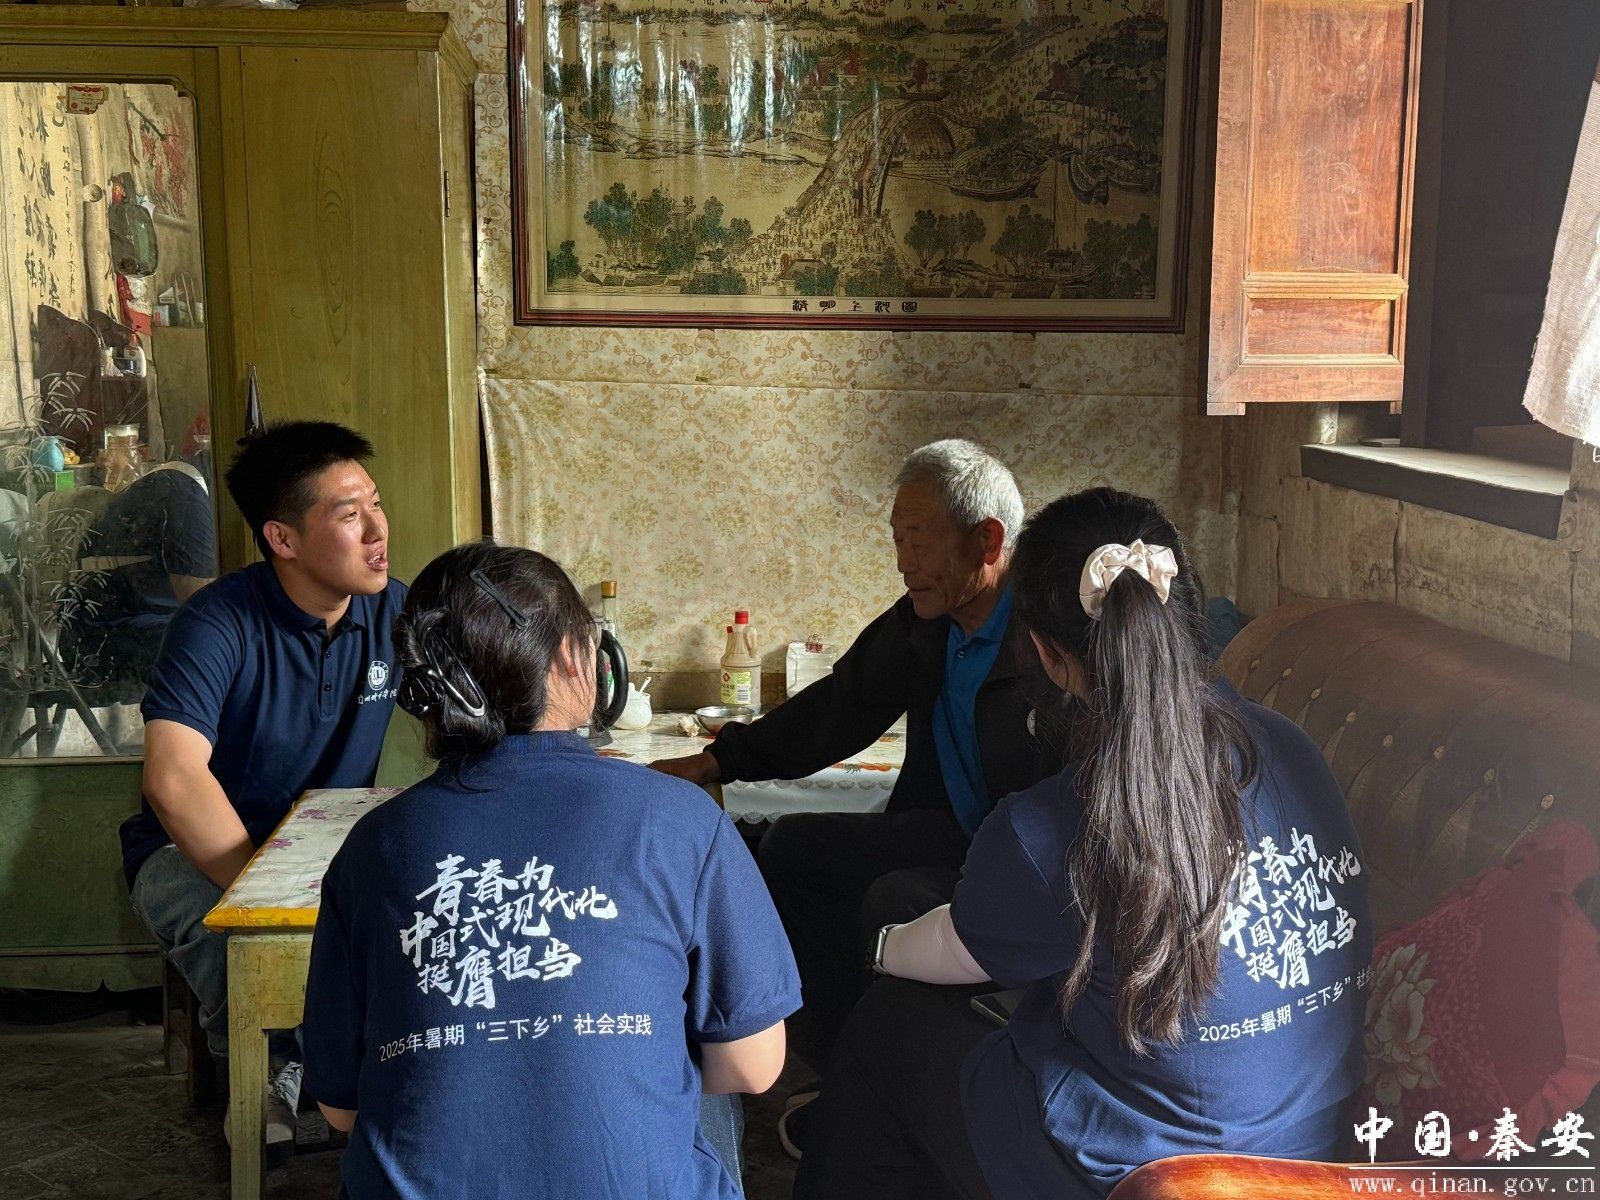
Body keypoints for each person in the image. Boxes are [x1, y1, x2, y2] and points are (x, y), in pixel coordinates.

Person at [794, 487, 1374, 1200]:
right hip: (1315, 1150)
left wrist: (880, 947)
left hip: (1157, 1179)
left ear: (1047, 653)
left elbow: (944, 949)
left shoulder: (1051, 825)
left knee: (889, 1024)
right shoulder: (1290, 747)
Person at [302, 542, 800, 1200]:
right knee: (688, 1086)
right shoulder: (682, 819)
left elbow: (340, 1108)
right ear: (573, 657)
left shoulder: (374, 845)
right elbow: (753, 1065)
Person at [652, 440, 1064, 1106]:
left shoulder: (1046, 635)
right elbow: (842, 705)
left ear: (987, 541)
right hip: (949, 831)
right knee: (789, 849)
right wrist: (718, 760)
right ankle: (833, 1057)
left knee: (891, 897)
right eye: (897, 540)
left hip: (1028, 865)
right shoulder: (929, 622)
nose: (904, 562)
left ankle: (882, 1079)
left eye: (919, 540)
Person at [120, 421, 402, 1159]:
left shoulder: (393, 611)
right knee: (239, 939)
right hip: (190, 851)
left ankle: (358, 1072)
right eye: (349, 515)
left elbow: (474, 705)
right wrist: (264, 896)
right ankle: (269, 1074)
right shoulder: (217, 622)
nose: (378, 531)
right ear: (282, 538)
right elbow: (173, 777)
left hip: (326, 848)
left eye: (375, 504)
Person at [58, 460, 216, 703]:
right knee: (215, 648)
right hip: (97, 637)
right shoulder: (186, 494)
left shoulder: (186, 487)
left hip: (133, 622)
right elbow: (200, 607)